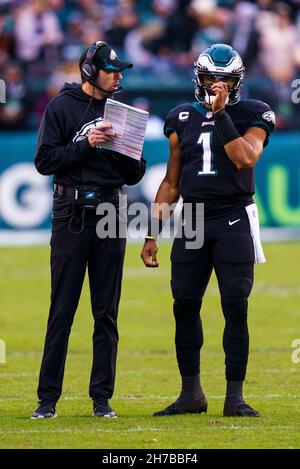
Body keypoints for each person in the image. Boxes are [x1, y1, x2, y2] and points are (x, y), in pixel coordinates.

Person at [141, 43, 275, 417]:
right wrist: (152, 234)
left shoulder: (254, 112)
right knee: (184, 305)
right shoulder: (179, 116)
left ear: (237, 83)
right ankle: (192, 395)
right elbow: (171, 182)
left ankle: (234, 397)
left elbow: (245, 157)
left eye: (226, 81)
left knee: (235, 304)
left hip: (233, 218)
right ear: (198, 79)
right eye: (211, 79)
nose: (218, 86)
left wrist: (220, 115)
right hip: (193, 220)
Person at [32, 41, 146, 419]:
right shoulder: (61, 108)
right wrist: (84, 144)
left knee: (106, 311)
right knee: (62, 307)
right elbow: (45, 161)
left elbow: (135, 172)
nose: (118, 77)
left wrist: (118, 147)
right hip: (71, 210)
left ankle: (102, 399)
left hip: (113, 209)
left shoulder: (122, 113)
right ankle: (47, 400)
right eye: (112, 71)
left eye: (120, 71)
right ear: (88, 72)